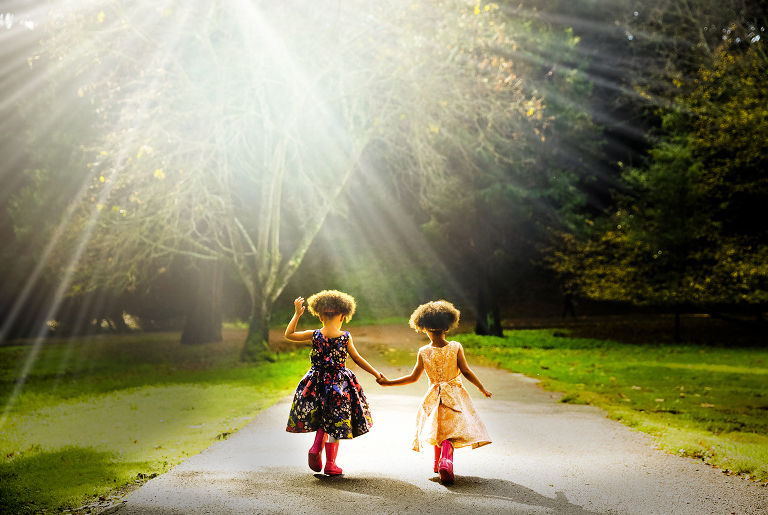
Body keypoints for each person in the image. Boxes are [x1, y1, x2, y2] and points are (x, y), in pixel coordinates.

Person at [377, 300, 491, 483]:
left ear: (423, 327)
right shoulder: (455, 347)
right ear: (447, 326)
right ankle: (445, 460)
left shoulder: (423, 352)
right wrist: (481, 387)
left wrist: (388, 383)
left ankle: (437, 463)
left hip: (434, 397)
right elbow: (467, 371)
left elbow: (413, 377)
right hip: (454, 395)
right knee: (450, 432)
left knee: (438, 429)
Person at [285, 290, 383, 476]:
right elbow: (358, 358)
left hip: (315, 382)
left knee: (321, 415)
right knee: (335, 421)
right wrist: (376, 373)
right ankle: (331, 464)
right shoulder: (345, 337)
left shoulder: (314, 335)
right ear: (343, 316)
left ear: (320, 315)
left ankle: (316, 446)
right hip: (339, 385)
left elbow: (289, 334)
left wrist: (297, 314)